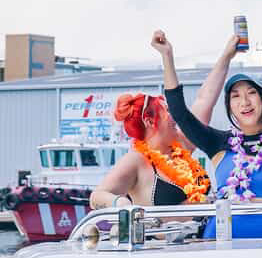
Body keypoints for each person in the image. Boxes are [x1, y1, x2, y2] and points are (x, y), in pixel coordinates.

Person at [158, 32, 262, 238]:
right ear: (229, 106)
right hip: (222, 240)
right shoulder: (218, 142)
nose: (244, 102)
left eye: (251, 93)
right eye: (235, 96)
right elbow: (180, 113)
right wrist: (167, 56)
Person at [90, 31, 240, 210]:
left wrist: (226, 56)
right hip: (160, 230)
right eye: (167, 111)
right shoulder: (135, 160)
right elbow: (96, 197)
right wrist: (120, 202)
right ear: (149, 121)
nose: (174, 115)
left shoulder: (181, 145)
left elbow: (205, 99)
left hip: (204, 228)